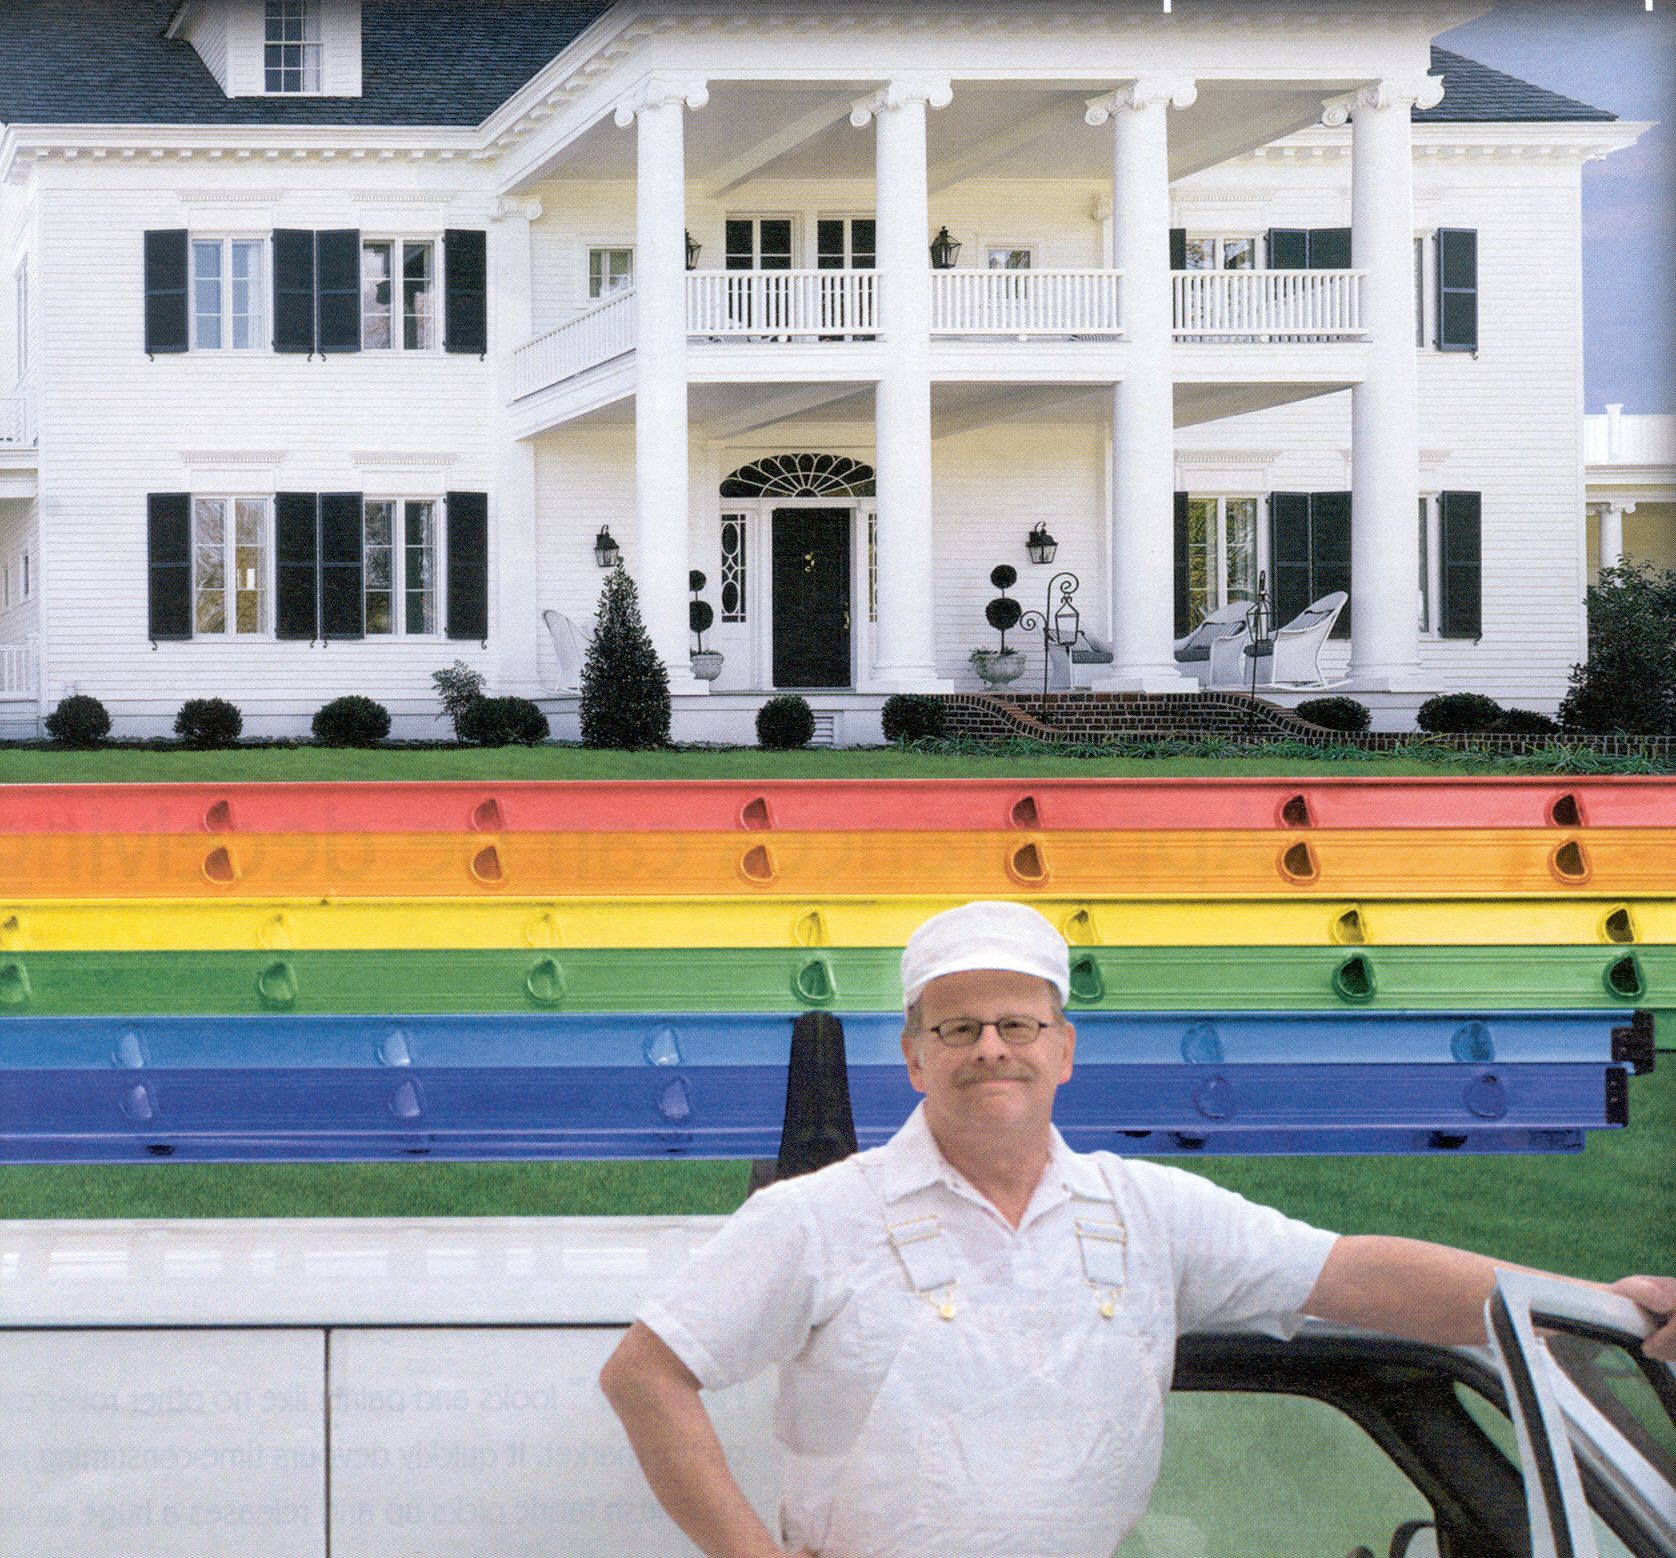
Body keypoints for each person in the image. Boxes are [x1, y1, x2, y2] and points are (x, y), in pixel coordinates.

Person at [600, 900, 1676, 1558]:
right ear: (913, 1054)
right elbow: (645, 1372)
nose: (990, 1048)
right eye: (956, 1026)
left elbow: (1353, 1276)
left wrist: (1598, 1305)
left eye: (1015, 1023)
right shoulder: (815, 1217)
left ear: (1062, 1049)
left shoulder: (1144, 1210)